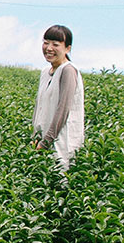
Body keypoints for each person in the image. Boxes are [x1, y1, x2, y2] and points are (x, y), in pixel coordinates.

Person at [31, 24, 85, 173]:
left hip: (62, 142)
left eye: (55, 44)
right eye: (46, 42)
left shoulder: (68, 70)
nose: (49, 48)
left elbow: (63, 109)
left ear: (67, 48)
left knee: (61, 183)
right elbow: (39, 108)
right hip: (43, 142)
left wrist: (46, 141)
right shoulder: (45, 72)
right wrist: (35, 137)